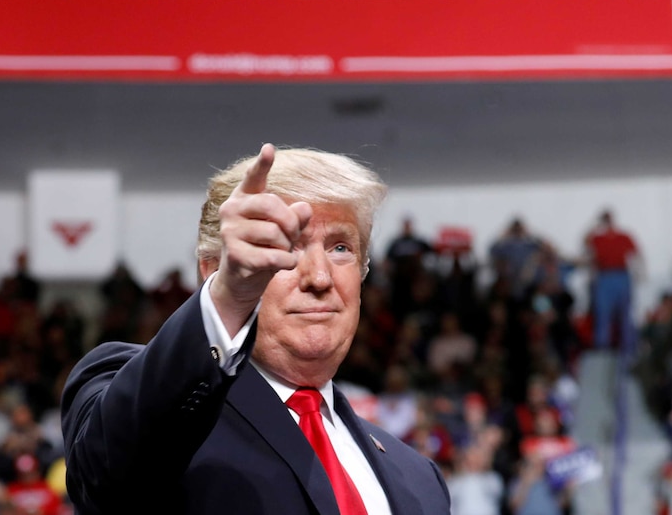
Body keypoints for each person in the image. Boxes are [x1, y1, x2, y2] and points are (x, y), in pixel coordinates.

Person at [62, 144, 451, 514]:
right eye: (287, 246)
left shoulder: (418, 479)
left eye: (340, 248)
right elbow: (104, 480)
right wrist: (230, 298)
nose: (319, 276)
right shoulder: (146, 398)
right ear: (216, 268)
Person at [584, 209, 641, 351]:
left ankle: (629, 348)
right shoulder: (597, 238)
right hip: (604, 276)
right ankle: (602, 348)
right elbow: (585, 242)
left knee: (625, 315)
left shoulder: (623, 236)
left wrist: (639, 274)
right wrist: (596, 224)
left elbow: (637, 255)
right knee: (602, 314)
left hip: (621, 275)